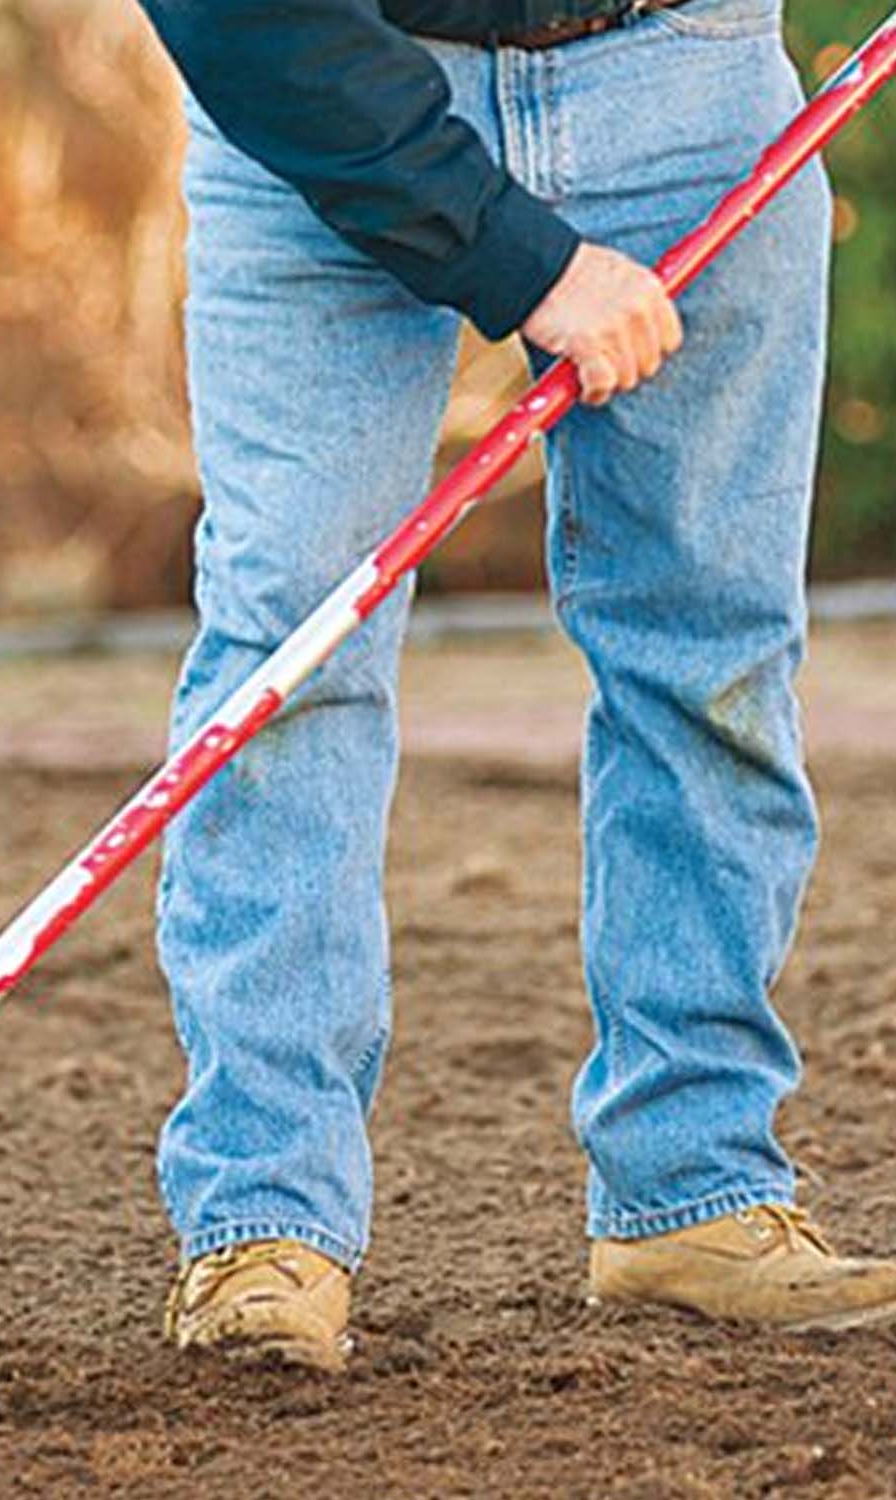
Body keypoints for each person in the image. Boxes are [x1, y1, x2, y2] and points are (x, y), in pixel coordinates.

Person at [137, 0, 896, 1372]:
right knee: (290, 655)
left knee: (710, 655)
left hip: (689, 77)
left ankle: (695, 1194)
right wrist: (519, 261)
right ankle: (263, 1222)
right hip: (325, 99)